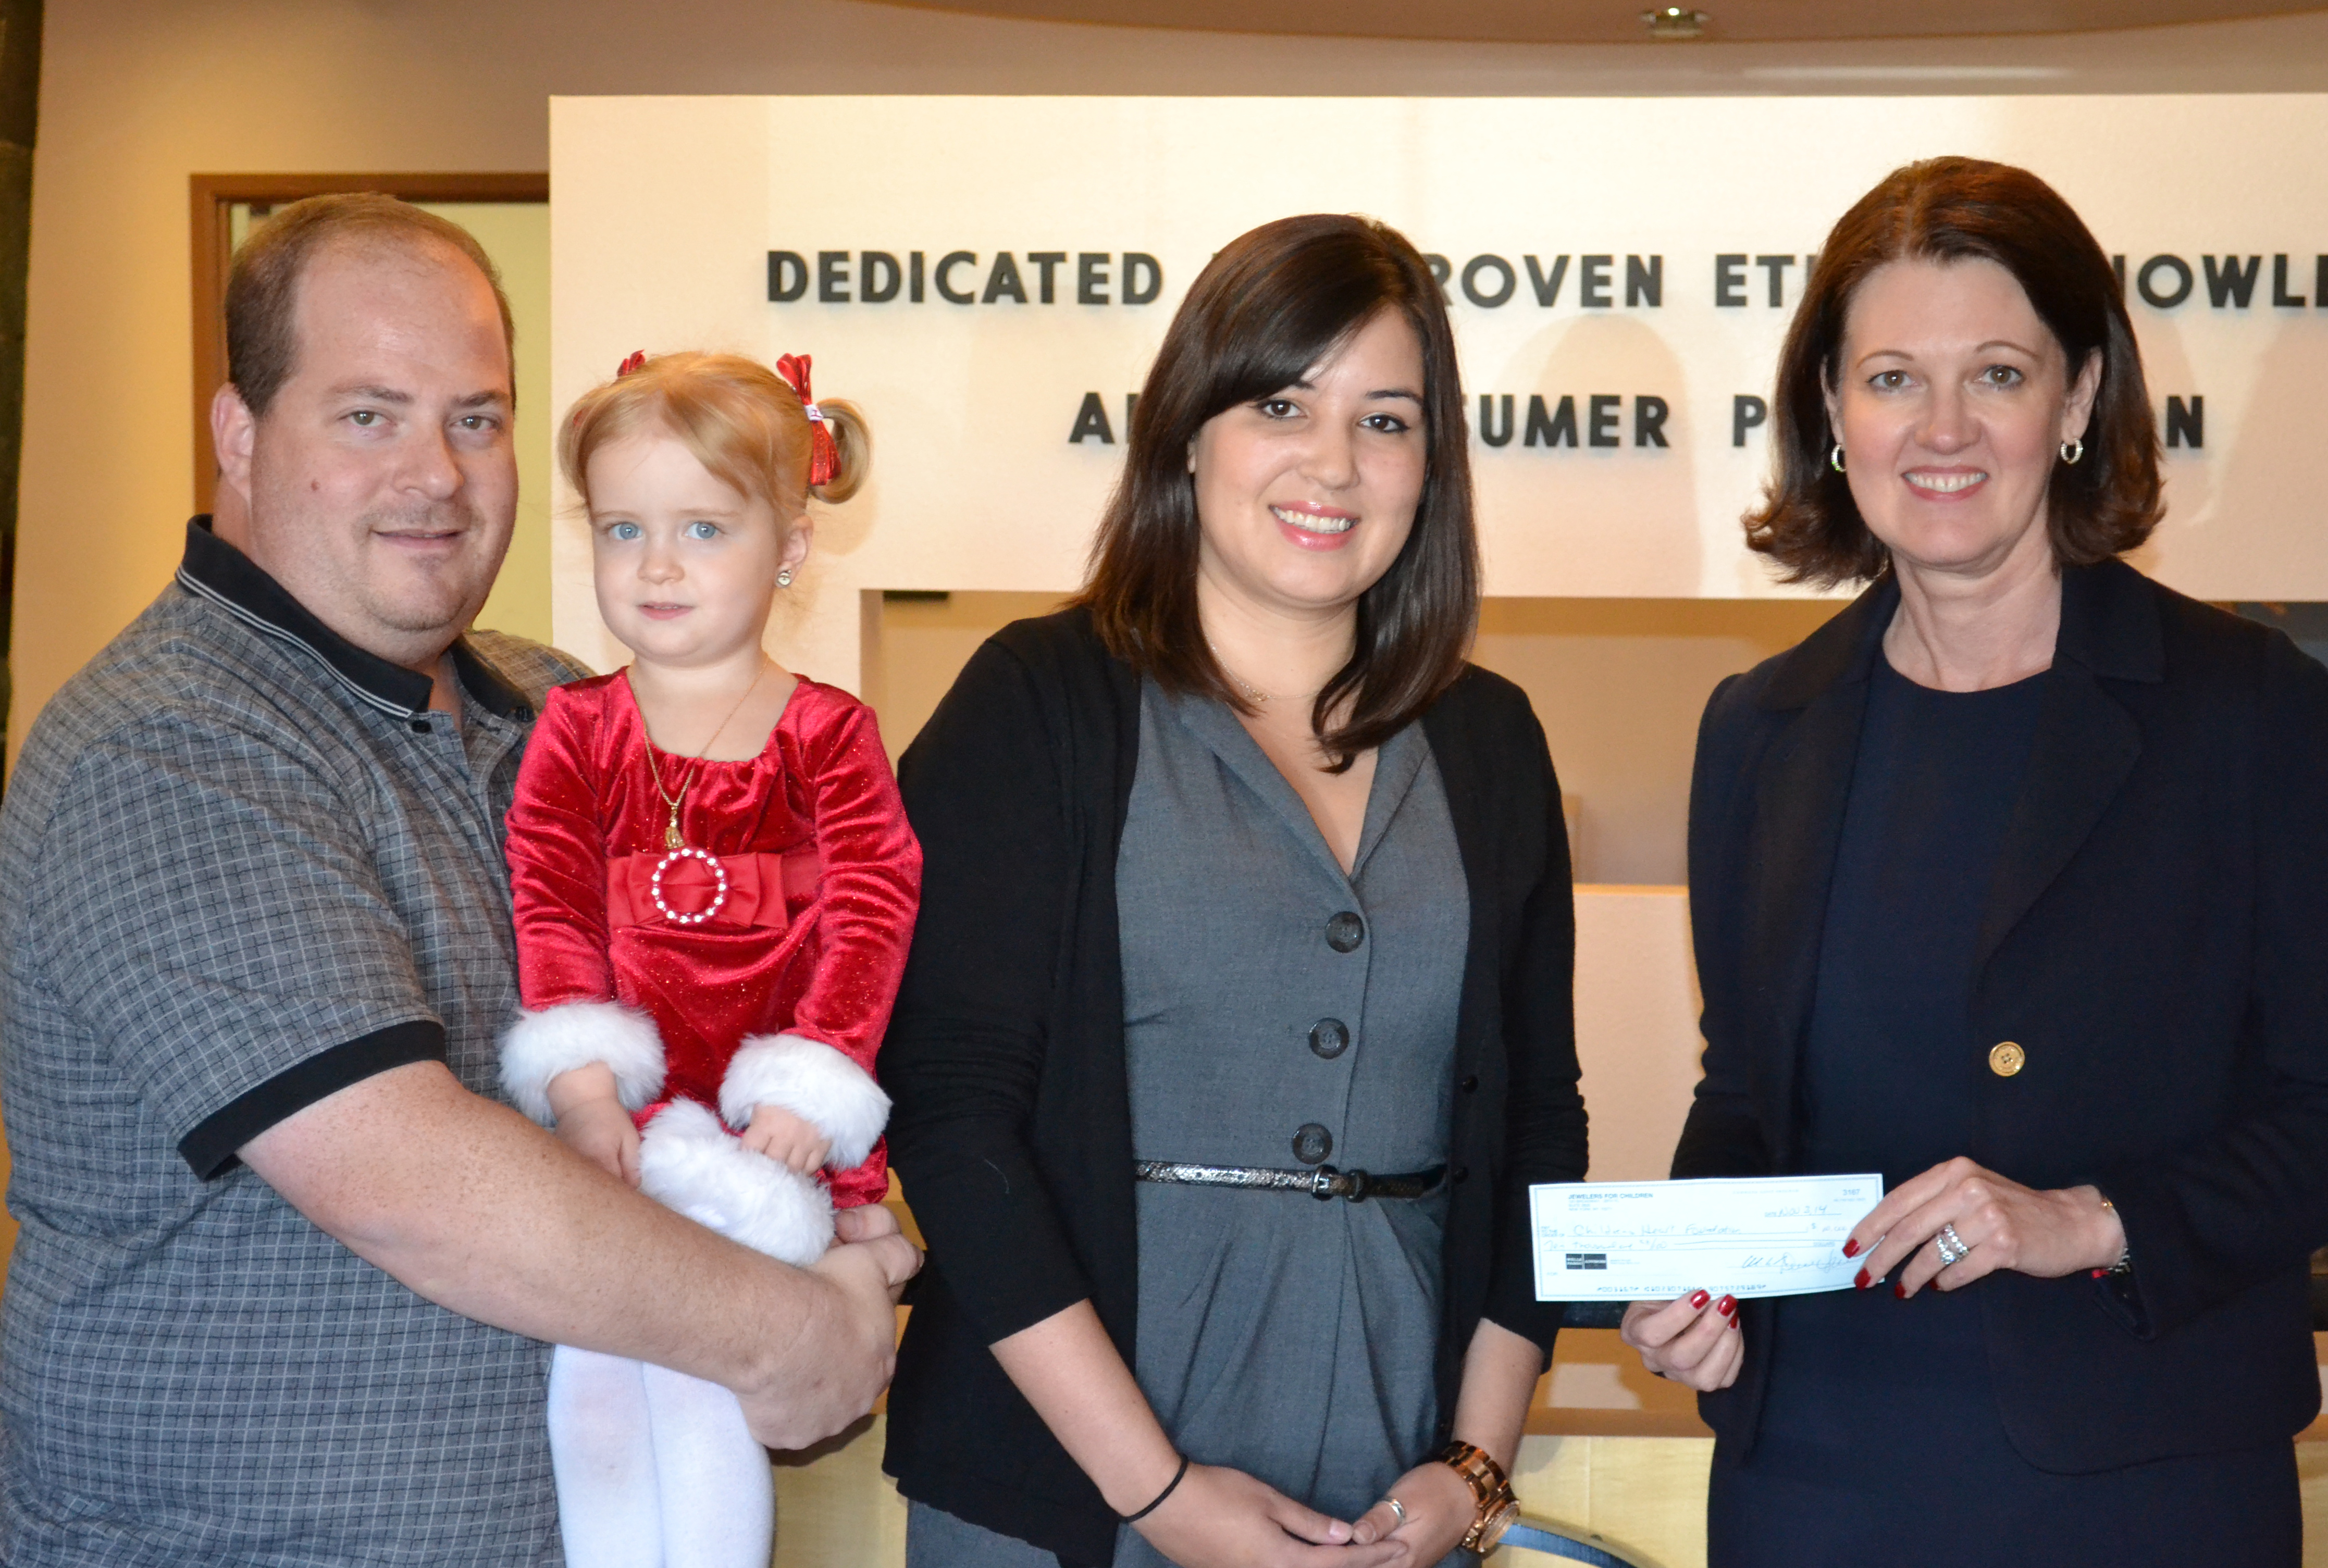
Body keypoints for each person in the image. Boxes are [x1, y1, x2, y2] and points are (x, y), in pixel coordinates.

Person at [0, 194, 918, 1567]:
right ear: (240, 435)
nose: (435, 473)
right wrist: (794, 1329)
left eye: (475, 418)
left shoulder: (561, 709)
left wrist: (837, 1198)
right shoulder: (175, 741)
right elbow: (403, 1176)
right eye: (369, 414)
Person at [1623, 155, 2328, 1565]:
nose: (1939, 429)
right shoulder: (1759, 729)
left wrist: (2089, 1222)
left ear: (2077, 399)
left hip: (2144, 1488)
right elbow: (1743, 1100)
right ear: (1831, 411)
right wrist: (1697, 1281)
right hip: (1812, 1486)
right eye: (1891, 377)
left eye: (1997, 375)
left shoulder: (2245, 708)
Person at [880, 213, 1585, 1568]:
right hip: (1063, 1479)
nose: (1333, 462)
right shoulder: (1037, 705)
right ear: (1187, 430)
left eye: (1386, 420)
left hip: (1389, 1474)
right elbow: (953, 1110)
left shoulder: (1489, 742)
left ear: (1429, 467)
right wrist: (1153, 1492)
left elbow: (1538, 1127)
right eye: (1279, 402)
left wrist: (1474, 1465)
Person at [499, 348, 917, 1568]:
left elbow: (874, 906)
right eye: (623, 528)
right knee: (589, 1387)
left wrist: (809, 1084)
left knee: (706, 1393)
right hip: (628, 1124)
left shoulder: (827, 731)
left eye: (702, 527)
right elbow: (551, 898)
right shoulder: (577, 724)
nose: (658, 564)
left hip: (760, 1127)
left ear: (788, 543)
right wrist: (581, 1084)